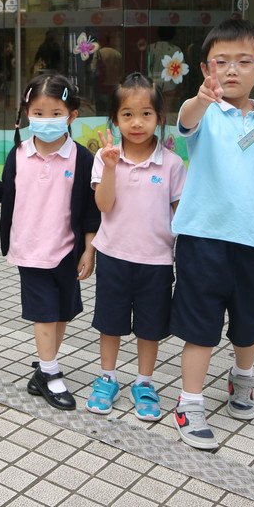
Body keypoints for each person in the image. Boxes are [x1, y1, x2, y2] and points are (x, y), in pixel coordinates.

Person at [171, 19, 254, 450]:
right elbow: (185, 121)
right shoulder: (203, 113)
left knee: (249, 325)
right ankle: (189, 403)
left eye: (243, 61)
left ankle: (242, 377)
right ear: (206, 68)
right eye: (220, 61)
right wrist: (200, 99)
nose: (231, 70)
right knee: (200, 326)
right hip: (202, 240)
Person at [0, 74, 99, 410]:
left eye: (55, 113)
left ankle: (44, 368)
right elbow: (9, 196)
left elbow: (90, 211)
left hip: (67, 250)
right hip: (29, 249)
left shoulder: (82, 159)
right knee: (45, 314)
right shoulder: (19, 155)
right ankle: (51, 374)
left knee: (62, 313)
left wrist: (89, 249)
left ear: (72, 115)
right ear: (27, 113)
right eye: (38, 113)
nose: (46, 120)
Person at [86, 74, 186, 420]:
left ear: (159, 117)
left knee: (150, 327)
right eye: (127, 114)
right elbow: (103, 205)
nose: (137, 123)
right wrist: (110, 167)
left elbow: (180, 215)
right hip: (113, 256)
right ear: (115, 119)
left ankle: (144, 382)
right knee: (110, 323)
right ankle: (107, 377)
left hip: (157, 261)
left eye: (146, 114)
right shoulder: (105, 157)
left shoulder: (172, 164)